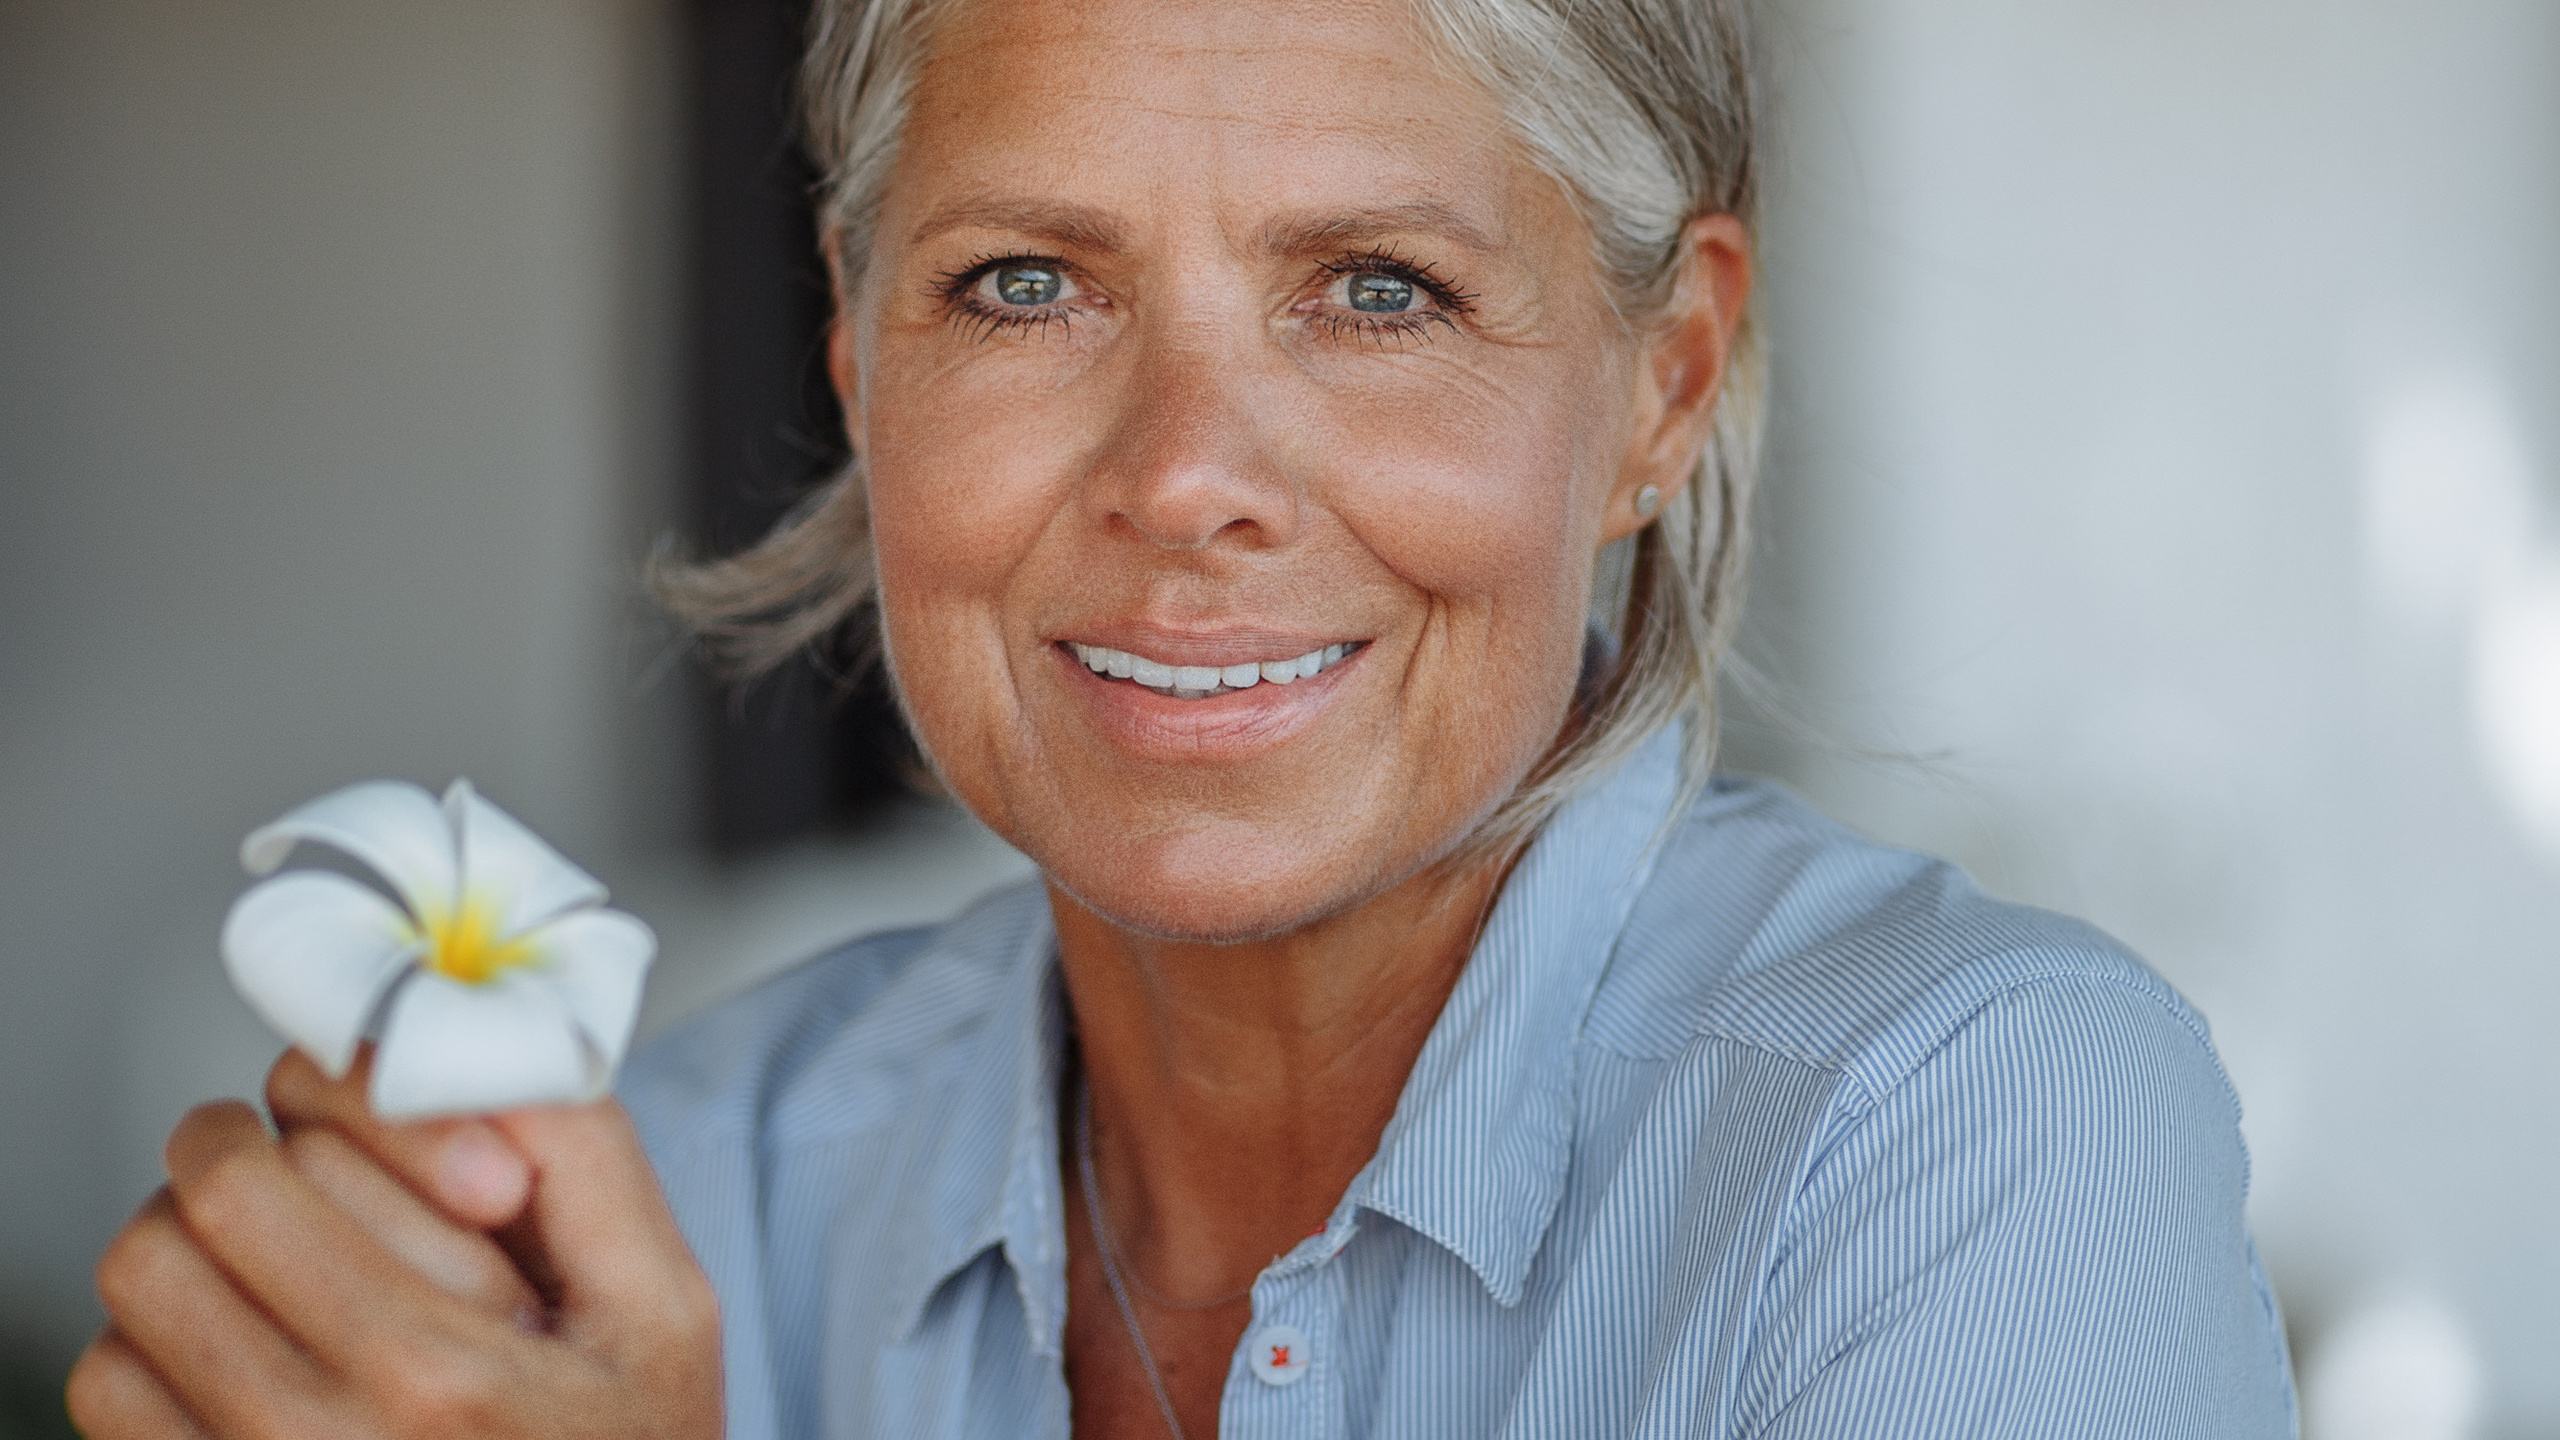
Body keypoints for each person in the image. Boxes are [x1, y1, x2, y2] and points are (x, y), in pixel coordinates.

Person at [69, 0, 2300, 1435]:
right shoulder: (674, 1184)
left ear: (1665, 382)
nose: (1184, 476)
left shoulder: (1968, 1135)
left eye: (1379, 292)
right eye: (1023, 285)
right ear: (859, 357)